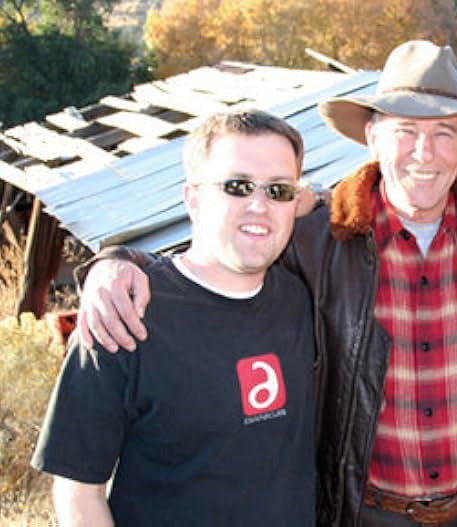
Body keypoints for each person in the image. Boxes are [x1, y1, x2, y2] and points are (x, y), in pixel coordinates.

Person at [73, 40, 457, 526]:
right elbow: (216, 253)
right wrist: (119, 260)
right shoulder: (314, 240)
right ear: (373, 137)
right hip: (357, 513)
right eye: (405, 131)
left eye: (445, 133)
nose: (425, 152)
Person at [31, 110, 316, 526]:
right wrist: (109, 263)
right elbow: (77, 490)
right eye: (237, 187)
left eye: (278, 190)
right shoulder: (124, 312)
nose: (259, 205)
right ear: (193, 199)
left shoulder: (299, 297)